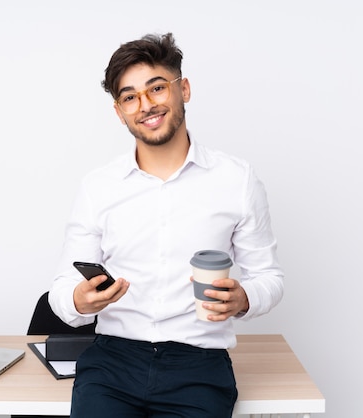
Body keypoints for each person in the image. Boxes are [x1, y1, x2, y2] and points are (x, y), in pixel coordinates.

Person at [48, 32, 284, 418]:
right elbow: (60, 288)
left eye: (157, 88)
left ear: (183, 89)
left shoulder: (237, 180)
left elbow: (269, 277)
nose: (146, 105)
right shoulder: (98, 187)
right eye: (129, 97)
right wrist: (78, 300)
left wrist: (244, 299)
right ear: (119, 111)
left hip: (199, 364)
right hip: (112, 363)